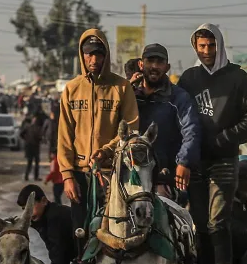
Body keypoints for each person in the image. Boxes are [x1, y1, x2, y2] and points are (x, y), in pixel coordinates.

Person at [177, 23, 247, 264]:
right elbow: (175, 113)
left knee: (218, 222)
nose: (206, 52)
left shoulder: (238, 78)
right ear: (195, 48)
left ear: (220, 45)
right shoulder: (189, 79)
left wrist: (224, 138)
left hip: (225, 160)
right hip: (196, 163)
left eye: (211, 46)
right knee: (199, 225)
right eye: (201, 47)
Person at [56, 28, 140, 234]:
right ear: (82, 55)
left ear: (106, 55)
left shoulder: (121, 87)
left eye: (98, 54)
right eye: (89, 54)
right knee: (81, 232)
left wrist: (106, 151)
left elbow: (131, 127)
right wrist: (67, 176)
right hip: (80, 174)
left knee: (114, 233)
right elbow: (64, 136)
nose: (93, 59)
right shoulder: (71, 89)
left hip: (112, 174)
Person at [133, 42, 200, 200]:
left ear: (167, 67)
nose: (154, 66)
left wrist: (184, 162)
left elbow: (191, 131)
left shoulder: (178, 98)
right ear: (141, 64)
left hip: (164, 176)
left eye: (160, 62)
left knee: (162, 216)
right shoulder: (129, 95)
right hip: (132, 173)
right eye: (150, 61)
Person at [17, 183, 74, 264]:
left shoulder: (55, 217)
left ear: (44, 201)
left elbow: (58, 253)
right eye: (24, 209)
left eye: (31, 207)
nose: (28, 213)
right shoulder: (41, 217)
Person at [20, 113, 44, 180]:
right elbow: (21, 134)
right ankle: (30, 176)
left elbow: (21, 134)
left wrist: (26, 139)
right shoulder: (33, 128)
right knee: (32, 162)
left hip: (32, 146)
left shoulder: (31, 127)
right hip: (33, 147)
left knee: (32, 162)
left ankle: (29, 176)